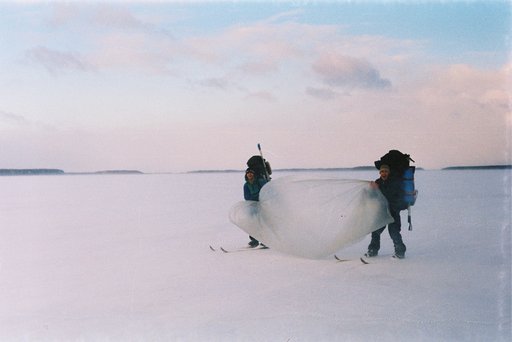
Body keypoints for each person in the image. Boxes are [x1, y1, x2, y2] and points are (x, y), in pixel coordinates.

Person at [366, 164, 407, 259]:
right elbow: (372, 196)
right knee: (375, 231)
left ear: (389, 172)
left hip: (393, 211)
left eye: (386, 171)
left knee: (394, 232)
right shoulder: (377, 182)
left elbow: (397, 197)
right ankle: (372, 250)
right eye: (382, 171)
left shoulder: (395, 182)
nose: (384, 173)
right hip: (382, 212)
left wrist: (377, 188)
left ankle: (400, 252)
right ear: (379, 173)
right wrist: (370, 190)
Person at [243, 168, 268, 247]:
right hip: (253, 206)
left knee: (264, 222)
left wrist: (257, 197)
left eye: (251, 173)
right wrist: (255, 197)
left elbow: (265, 191)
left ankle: (267, 241)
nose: (249, 174)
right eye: (248, 173)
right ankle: (254, 240)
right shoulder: (246, 185)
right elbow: (247, 197)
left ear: (254, 174)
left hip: (263, 205)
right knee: (253, 223)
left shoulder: (260, 181)